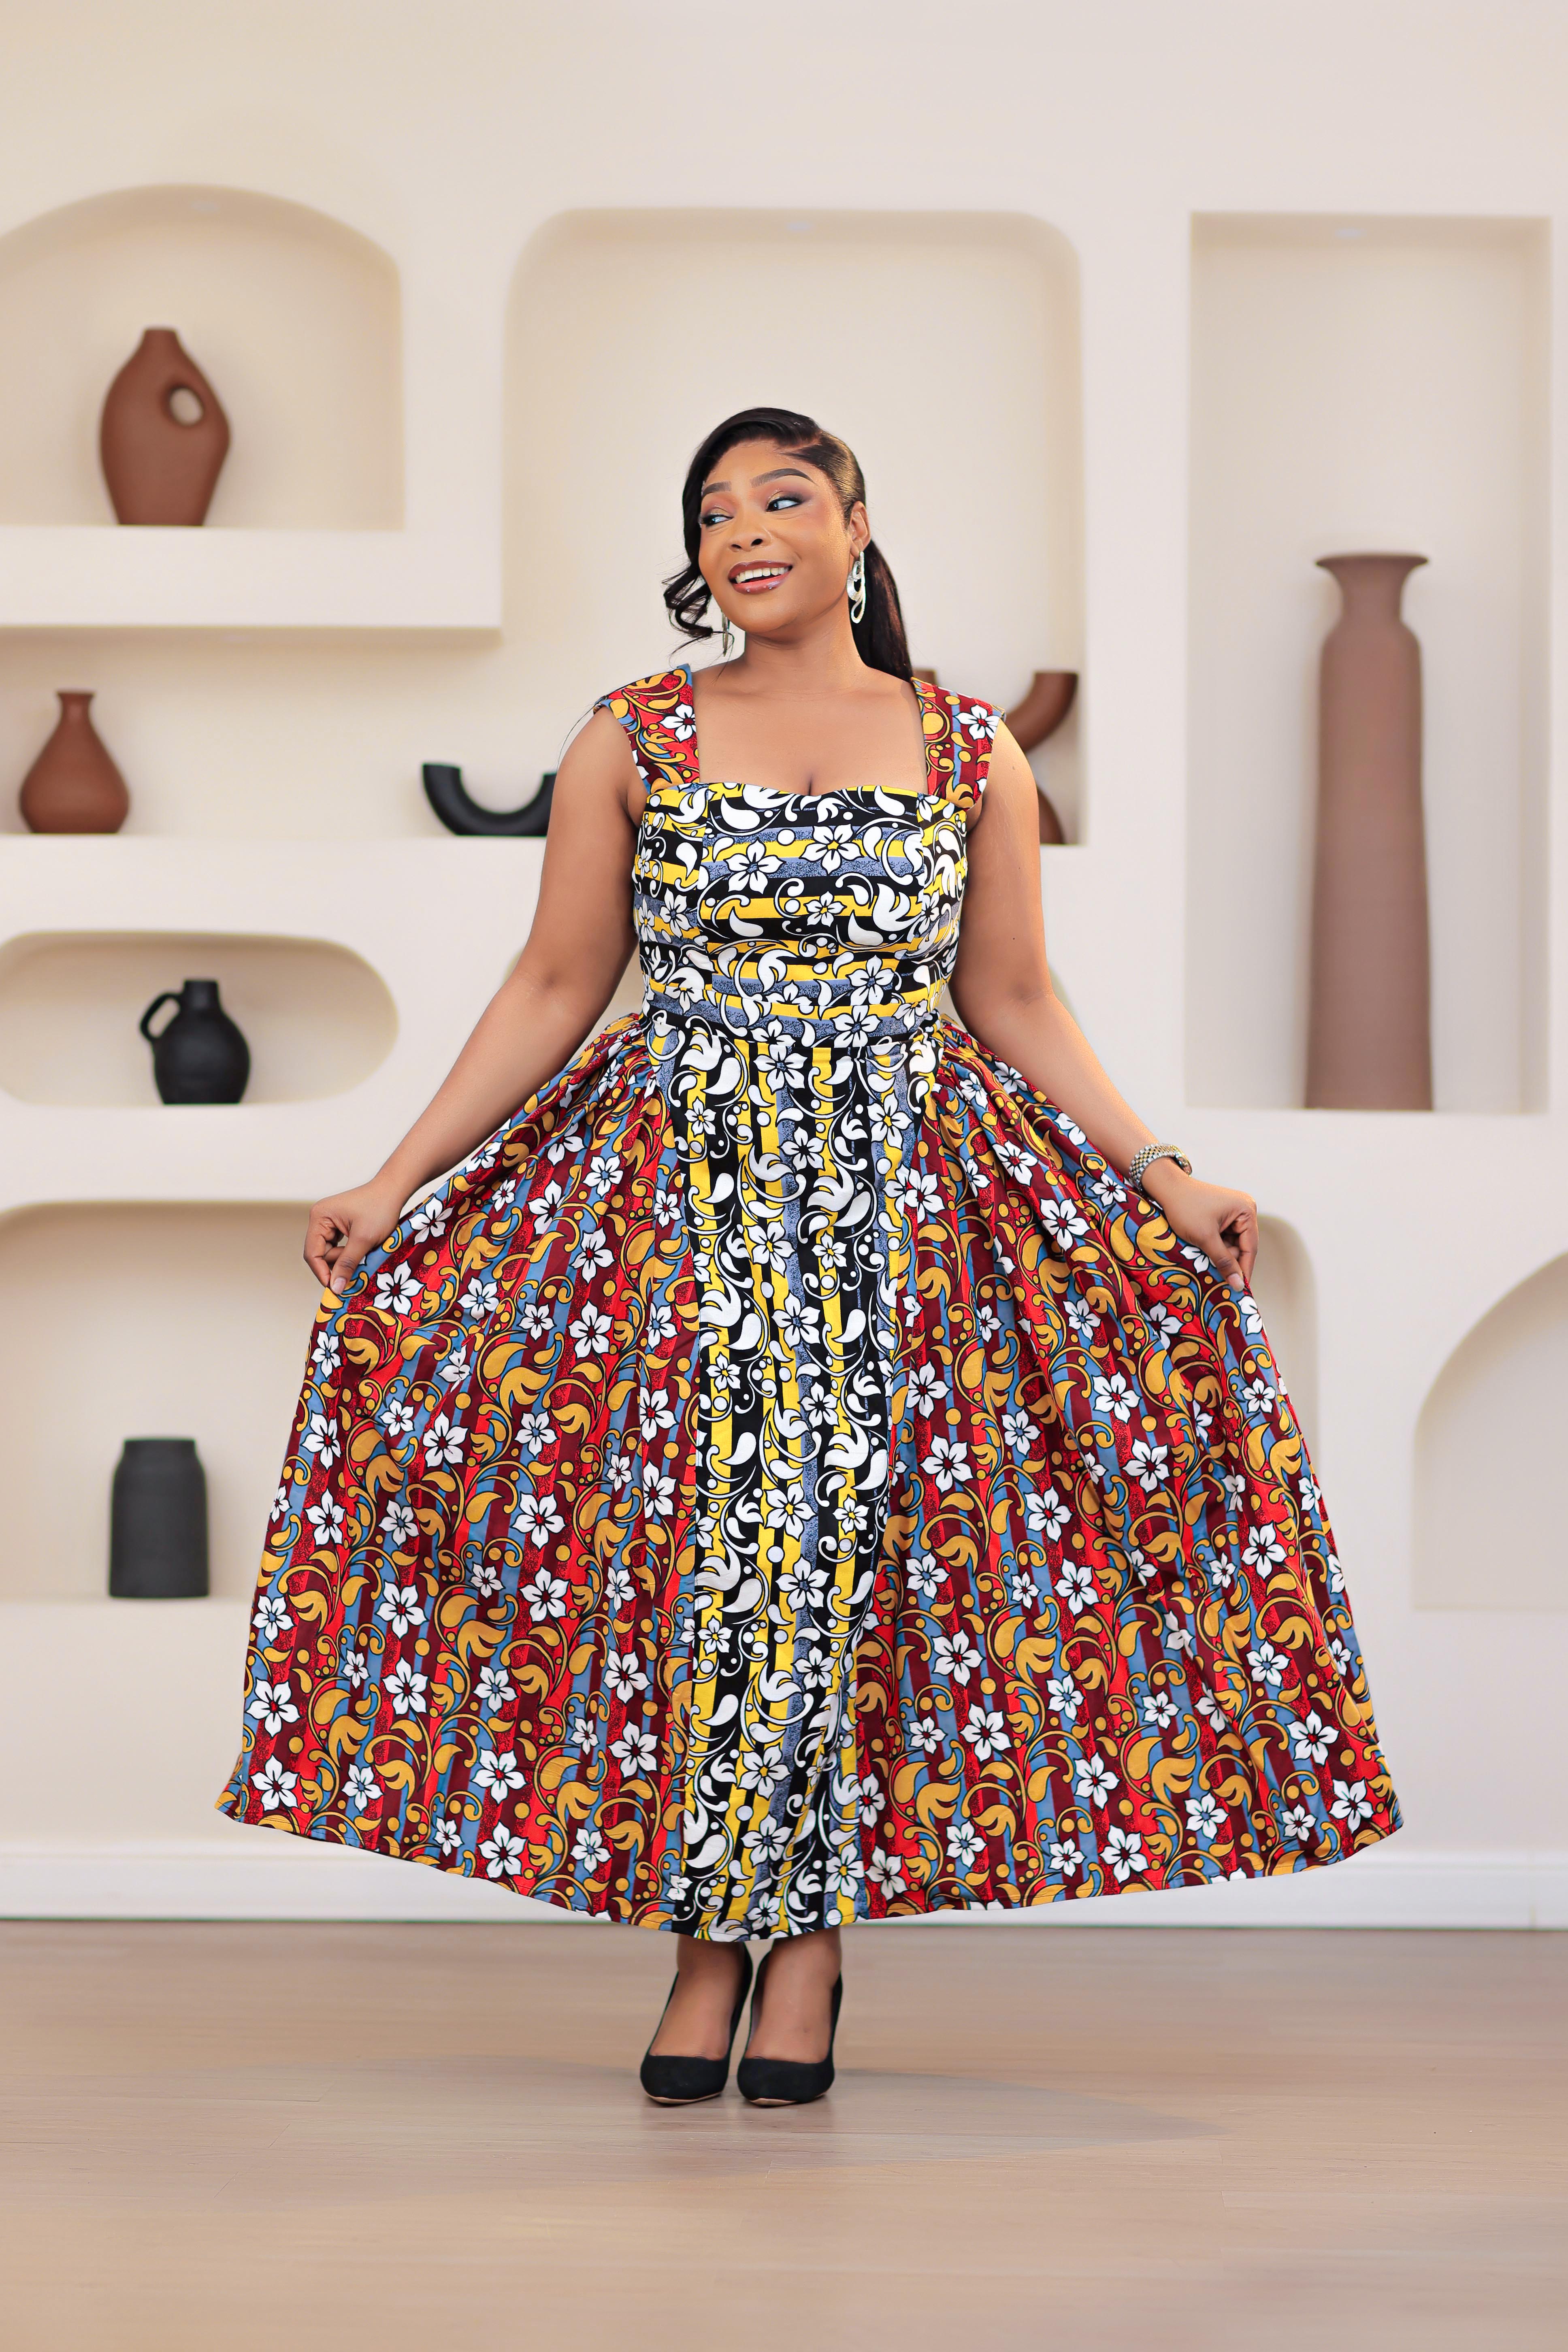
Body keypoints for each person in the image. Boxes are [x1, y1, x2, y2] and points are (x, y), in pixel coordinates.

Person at [217, 405, 1401, 2107]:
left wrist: (1157, 1176)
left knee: (866, 1575)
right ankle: (709, 1944)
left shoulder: (969, 745)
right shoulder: (631, 734)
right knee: (712, 1566)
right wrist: (397, 1178)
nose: (743, 531)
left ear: (856, 522)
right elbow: (557, 986)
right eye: (712, 512)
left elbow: (1008, 997)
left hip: (907, 1215)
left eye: (780, 498)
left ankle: (810, 1946)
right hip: (672, 1212)